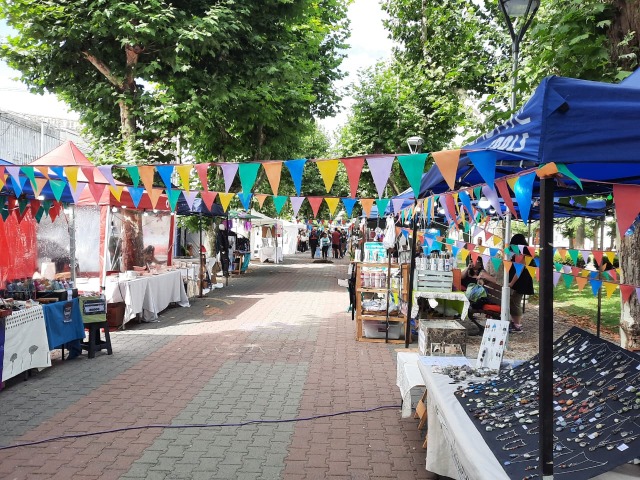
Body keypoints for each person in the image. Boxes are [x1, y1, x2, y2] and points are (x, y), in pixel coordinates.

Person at [507, 233, 535, 333]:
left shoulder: (524, 254)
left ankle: (517, 325)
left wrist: (511, 283)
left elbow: (520, 270)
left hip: (521, 281)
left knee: (516, 302)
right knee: (513, 301)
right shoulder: (520, 252)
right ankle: (514, 322)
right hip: (518, 280)